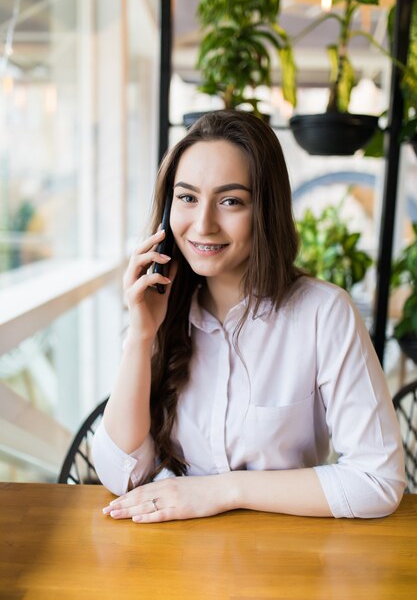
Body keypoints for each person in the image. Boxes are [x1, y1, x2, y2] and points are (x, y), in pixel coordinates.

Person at [93, 110, 405, 523]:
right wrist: (140, 336)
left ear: (265, 209)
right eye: (187, 197)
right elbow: (121, 475)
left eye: (230, 201)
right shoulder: (159, 309)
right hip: (174, 559)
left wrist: (222, 491)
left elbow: (377, 480)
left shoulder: (323, 313)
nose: (203, 224)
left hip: (283, 556)